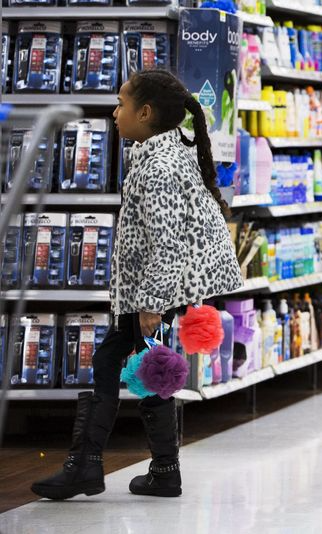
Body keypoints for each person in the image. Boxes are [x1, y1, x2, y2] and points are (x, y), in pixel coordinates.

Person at [30, 70, 243, 500]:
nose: (114, 113)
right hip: (156, 285)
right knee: (148, 368)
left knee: (112, 362)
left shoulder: (157, 167)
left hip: (156, 286)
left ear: (144, 113)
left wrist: (148, 305)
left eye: (121, 104)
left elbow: (165, 244)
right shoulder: (156, 154)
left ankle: (86, 465)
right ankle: (162, 469)